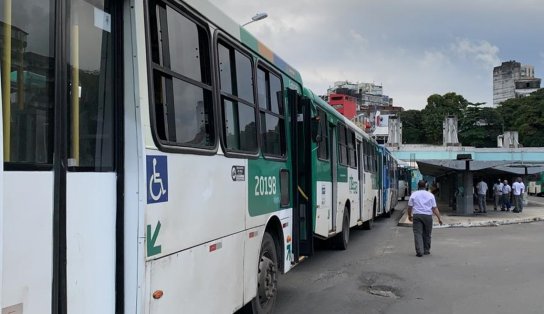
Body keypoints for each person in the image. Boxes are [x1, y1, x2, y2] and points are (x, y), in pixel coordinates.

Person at [407, 180, 443, 257]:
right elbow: (434, 208)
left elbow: (410, 207)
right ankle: (426, 250)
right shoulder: (430, 195)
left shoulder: (414, 194)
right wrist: (439, 218)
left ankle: (419, 251)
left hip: (417, 216)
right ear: (425, 186)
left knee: (418, 233)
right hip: (428, 216)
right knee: (427, 234)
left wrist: (409, 216)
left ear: (418, 186)